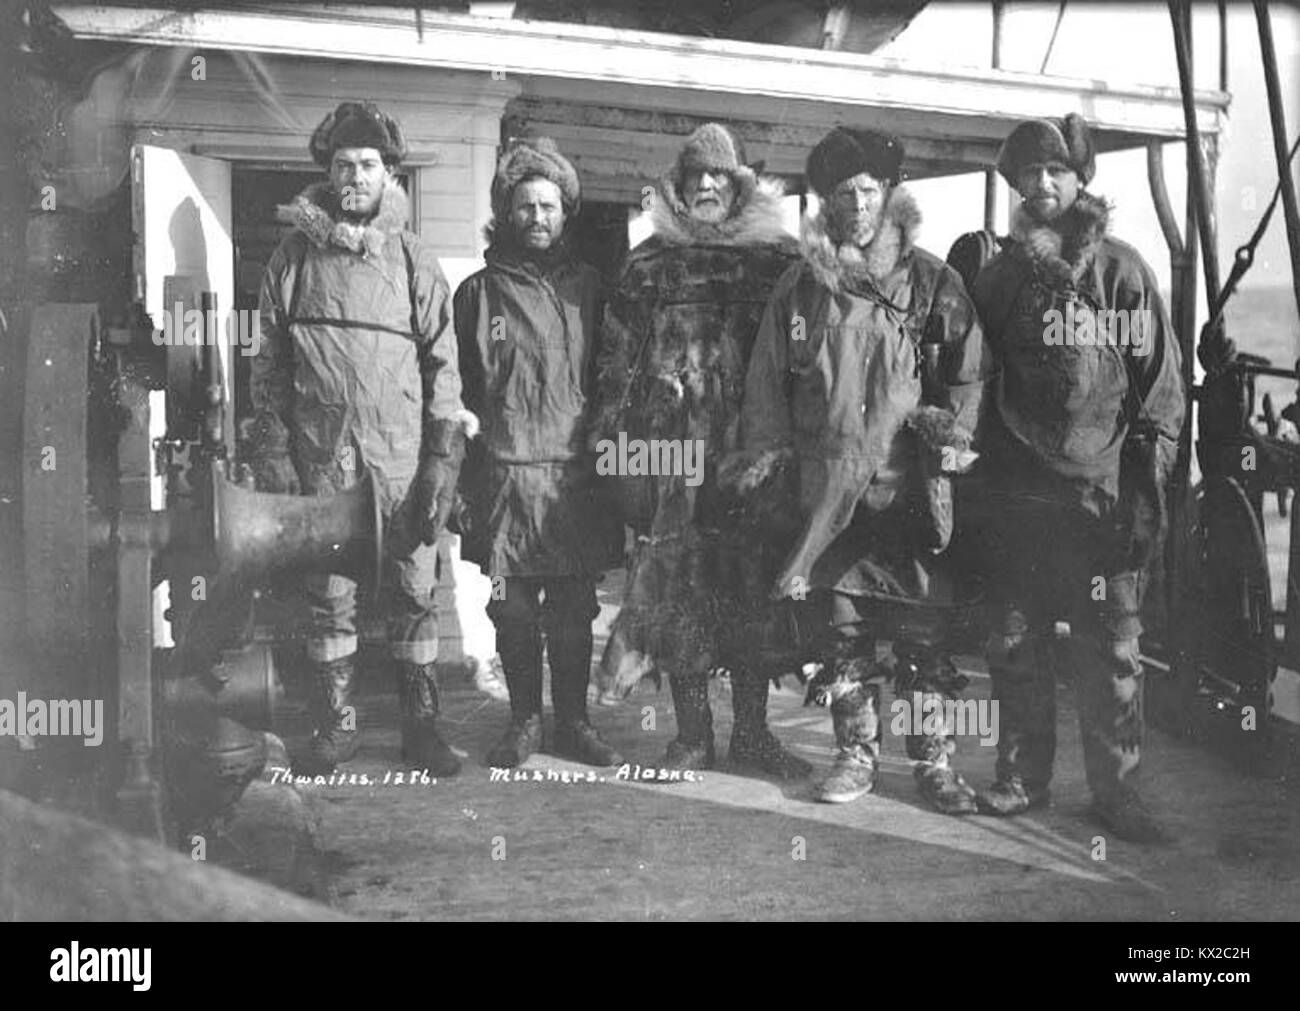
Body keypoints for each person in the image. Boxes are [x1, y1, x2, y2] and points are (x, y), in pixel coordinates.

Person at [729, 126, 991, 812]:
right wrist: (771, 464)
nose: (858, 204)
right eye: (843, 193)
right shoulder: (801, 286)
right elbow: (767, 385)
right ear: (827, 203)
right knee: (842, 631)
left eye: (869, 189)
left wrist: (949, 438)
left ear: (890, 193)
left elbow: (965, 376)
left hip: (908, 489)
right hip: (829, 490)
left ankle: (933, 761)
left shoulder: (934, 280)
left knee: (921, 631)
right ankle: (854, 755)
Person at [969, 113, 1185, 842]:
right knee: (1015, 641)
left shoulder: (1120, 272)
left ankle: (1117, 792)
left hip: (1102, 501)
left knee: (1112, 650)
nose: (1041, 184)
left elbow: (1159, 391)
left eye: (1055, 171)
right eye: (1027, 174)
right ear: (1013, 186)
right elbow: (974, 381)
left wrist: (1145, 496)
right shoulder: (998, 281)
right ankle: (1023, 778)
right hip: (1022, 498)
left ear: (1080, 179)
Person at [247, 101, 474, 778]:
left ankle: (423, 730)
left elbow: (445, 365)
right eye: (343, 163)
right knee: (330, 599)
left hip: (402, 464)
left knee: (413, 593)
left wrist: (440, 459)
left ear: (389, 174)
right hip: (325, 464)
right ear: (327, 171)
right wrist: (277, 453)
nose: (355, 175)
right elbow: (268, 368)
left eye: (368, 164)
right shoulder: (291, 259)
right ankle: (336, 727)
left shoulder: (411, 258)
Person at [591, 123, 809, 778]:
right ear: (679, 188)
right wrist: (617, 451)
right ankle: (691, 735)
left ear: (741, 186)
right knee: (679, 596)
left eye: (719, 177)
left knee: (751, 595)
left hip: (752, 463)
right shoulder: (647, 264)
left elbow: (804, 363)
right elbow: (614, 367)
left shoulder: (779, 262)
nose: (707, 186)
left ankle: (752, 733)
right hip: (672, 461)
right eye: (695, 178)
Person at [453, 136, 624, 768]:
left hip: (572, 483)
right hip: (503, 484)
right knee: (513, 609)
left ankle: (574, 722)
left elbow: (612, 381)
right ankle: (524, 720)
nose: (537, 219)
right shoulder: (477, 294)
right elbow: (460, 391)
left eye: (549, 206)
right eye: (525, 207)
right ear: (506, 212)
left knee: (575, 612)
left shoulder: (590, 291)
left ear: (565, 213)